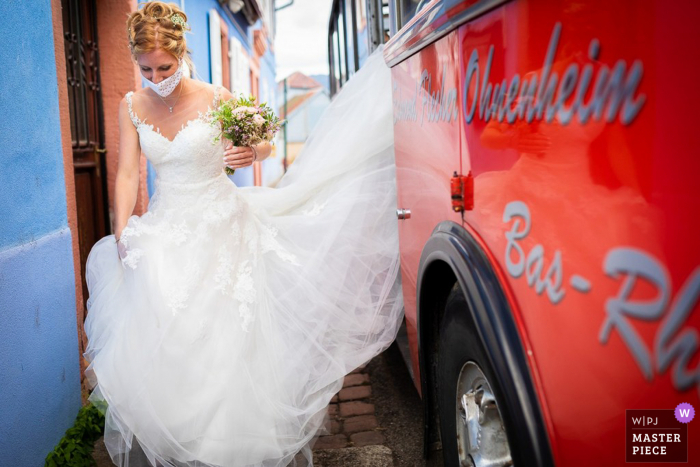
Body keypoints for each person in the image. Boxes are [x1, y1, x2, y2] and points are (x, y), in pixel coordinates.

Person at [82, 2, 403, 466]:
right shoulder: (130, 105)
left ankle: (232, 445)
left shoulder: (215, 95)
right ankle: (183, 438)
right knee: (171, 335)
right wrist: (121, 230)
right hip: (168, 227)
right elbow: (128, 172)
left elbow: (264, 140)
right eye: (145, 68)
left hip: (223, 225)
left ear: (182, 54)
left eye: (164, 67)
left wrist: (251, 152)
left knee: (226, 336)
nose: (155, 77)